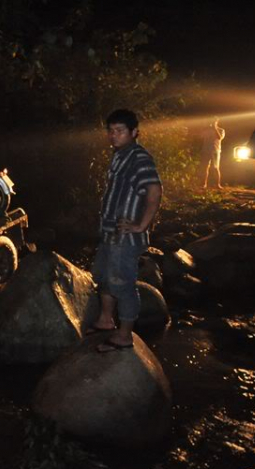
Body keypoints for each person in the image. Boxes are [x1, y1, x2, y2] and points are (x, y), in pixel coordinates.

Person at [88, 109, 163, 353]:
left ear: (134, 132)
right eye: (110, 130)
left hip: (127, 236)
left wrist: (141, 225)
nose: (113, 135)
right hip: (111, 232)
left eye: (119, 131)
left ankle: (124, 336)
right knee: (102, 275)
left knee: (122, 283)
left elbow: (154, 190)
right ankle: (105, 320)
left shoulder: (139, 158)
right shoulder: (120, 155)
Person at [201, 117, 225, 189]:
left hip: (215, 151)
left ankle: (218, 184)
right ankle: (204, 184)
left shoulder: (221, 130)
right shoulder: (206, 129)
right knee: (205, 167)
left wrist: (215, 128)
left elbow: (219, 138)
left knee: (215, 167)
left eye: (214, 121)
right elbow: (201, 137)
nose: (212, 122)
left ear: (217, 122)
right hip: (205, 150)